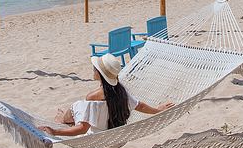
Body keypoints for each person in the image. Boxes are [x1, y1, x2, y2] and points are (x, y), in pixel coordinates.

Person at [41, 53, 174, 137]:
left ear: (100, 74)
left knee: (76, 106)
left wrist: (56, 131)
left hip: (97, 134)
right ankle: (64, 118)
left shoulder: (92, 97)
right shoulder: (121, 92)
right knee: (79, 107)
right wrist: (157, 110)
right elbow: (140, 106)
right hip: (111, 130)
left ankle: (63, 120)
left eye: (95, 68)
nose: (93, 69)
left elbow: (82, 129)